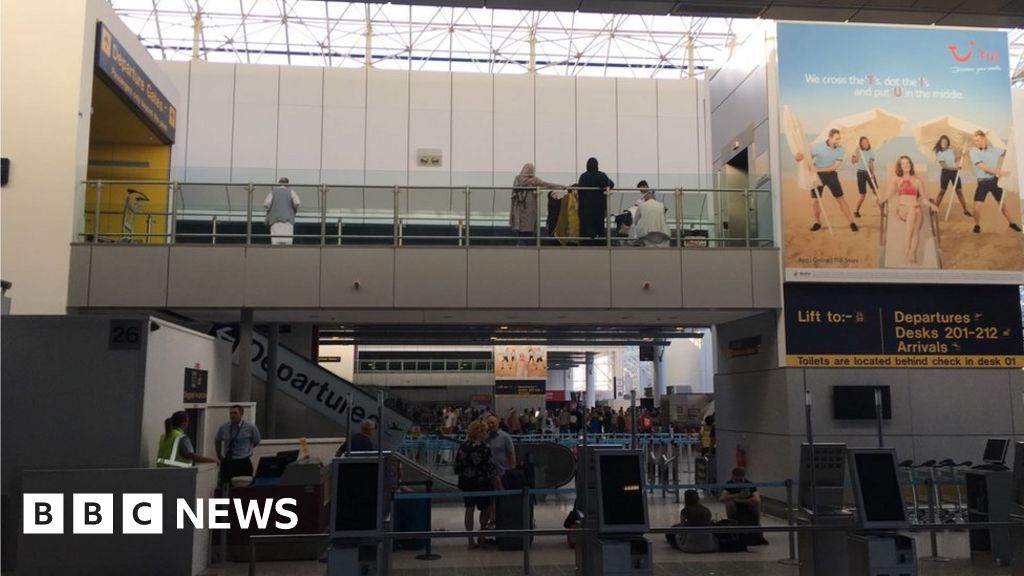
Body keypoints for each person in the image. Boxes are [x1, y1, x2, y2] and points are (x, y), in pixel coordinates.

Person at [877, 155, 938, 265]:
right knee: (912, 211)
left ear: (911, 164)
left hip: (915, 209)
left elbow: (924, 199)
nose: (906, 165)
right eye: (903, 163)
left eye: (908, 163)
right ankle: (907, 246)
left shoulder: (918, 181)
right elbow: (888, 194)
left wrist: (931, 205)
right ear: (900, 166)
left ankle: (911, 252)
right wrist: (881, 200)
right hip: (903, 209)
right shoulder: (896, 179)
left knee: (916, 227)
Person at [794, 128, 858, 232]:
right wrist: (798, 158)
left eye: (839, 139)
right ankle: (817, 223)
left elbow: (834, 167)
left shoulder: (840, 149)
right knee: (815, 201)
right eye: (836, 139)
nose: (838, 141)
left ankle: (852, 222)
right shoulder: (818, 147)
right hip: (817, 176)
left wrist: (818, 169)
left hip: (831, 175)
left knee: (840, 199)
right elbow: (807, 158)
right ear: (830, 137)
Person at [968, 130, 1021, 234]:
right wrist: (1000, 172)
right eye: (975, 141)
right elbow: (983, 166)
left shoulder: (995, 150)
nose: (976, 143)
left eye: (978, 140)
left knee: (1003, 205)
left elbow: (1009, 153)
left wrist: (1016, 142)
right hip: (982, 183)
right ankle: (977, 225)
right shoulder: (973, 152)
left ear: (984, 138)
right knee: (976, 207)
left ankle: (1011, 223)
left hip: (994, 182)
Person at [454, 420, 496, 548]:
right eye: (485, 431)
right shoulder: (485, 447)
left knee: (469, 509)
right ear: (480, 432)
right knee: (485, 510)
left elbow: (457, 467)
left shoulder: (463, 447)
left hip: (467, 482)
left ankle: (470, 540)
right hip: (482, 482)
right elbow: (490, 466)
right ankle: (481, 537)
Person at [511, 163, 564, 245]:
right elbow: (547, 185)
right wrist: (562, 186)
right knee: (527, 235)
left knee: (520, 234)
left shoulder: (517, 179)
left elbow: (514, 194)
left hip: (518, 211)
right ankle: (523, 250)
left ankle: (520, 249)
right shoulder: (534, 180)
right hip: (529, 212)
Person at [214, 404, 262, 483]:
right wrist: (219, 455)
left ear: (241, 414)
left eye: (235, 413)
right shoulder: (224, 427)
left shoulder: (250, 427)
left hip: (243, 462)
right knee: (225, 486)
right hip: (228, 462)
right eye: (231, 413)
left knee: (243, 488)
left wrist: (247, 449)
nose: (232, 415)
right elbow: (217, 440)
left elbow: (256, 441)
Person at [576, 157, 615, 245]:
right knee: (599, 230)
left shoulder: (583, 176)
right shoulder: (601, 175)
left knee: (585, 232)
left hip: (585, 210)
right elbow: (611, 184)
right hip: (598, 209)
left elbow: (580, 192)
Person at [933, 134, 971, 217]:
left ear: (947, 143)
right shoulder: (939, 153)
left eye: (945, 142)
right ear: (940, 142)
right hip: (946, 173)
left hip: (954, 173)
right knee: (942, 191)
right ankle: (934, 209)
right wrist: (956, 169)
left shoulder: (950, 150)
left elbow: (953, 160)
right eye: (942, 141)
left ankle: (965, 210)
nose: (944, 143)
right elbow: (944, 166)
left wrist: (961, 156)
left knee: (959, 191)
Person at [263, 177, 301, 245]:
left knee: (275, 238)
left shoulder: (273, 191)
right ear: (288, 184)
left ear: (279, 183)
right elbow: (297, 202)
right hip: (288, 218)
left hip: (275, 218)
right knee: (287, 237)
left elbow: (266, 203)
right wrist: (294, 209)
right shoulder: (291, 191)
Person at [632, 180, 670, 246]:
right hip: (648, 222)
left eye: (640, 188)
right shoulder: (641, 200)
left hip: (656, 221)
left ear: (645, 186)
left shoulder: (656, 194)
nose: (640, 191)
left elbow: (664, 208)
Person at [850, 136, 877, 218]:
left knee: (876, 191)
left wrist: (872, 173)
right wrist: (858, 153)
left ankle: (881, 210)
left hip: (869, 173)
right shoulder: (857, 151)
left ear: (868, 143)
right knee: (863, 195)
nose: (865, 143)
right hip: (860, 173)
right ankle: (856, 211)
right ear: (860, 144)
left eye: (866, 142)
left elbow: (871, 163)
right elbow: (853, 162)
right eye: (863, 142)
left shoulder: (871, 151)